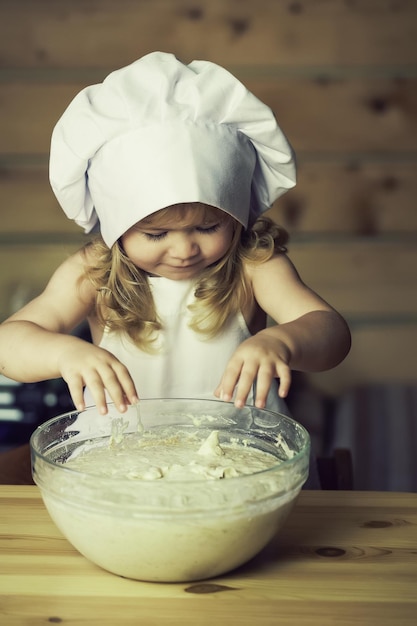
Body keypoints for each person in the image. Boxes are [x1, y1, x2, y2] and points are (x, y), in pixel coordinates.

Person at [0, 52, 351, 419]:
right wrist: (64, 352)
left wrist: (281, 342)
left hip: (240, 455)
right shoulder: (94, 272)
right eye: (156, 234)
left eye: (208, 227)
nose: (184, 249)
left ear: (237, 216)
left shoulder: (254, 266)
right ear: (117, 228)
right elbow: (8, 346)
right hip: (119, 461)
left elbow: (332, 333)